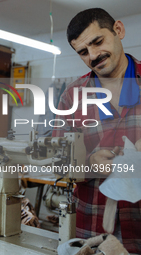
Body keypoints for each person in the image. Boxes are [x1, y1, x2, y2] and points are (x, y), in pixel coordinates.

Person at [52, 8, 141, 254]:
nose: (93, 55)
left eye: (97, 42)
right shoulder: (72, 96)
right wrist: (90, 162)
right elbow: (59, 163)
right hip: (92, 233)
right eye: (83, 52)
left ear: (119, 31)